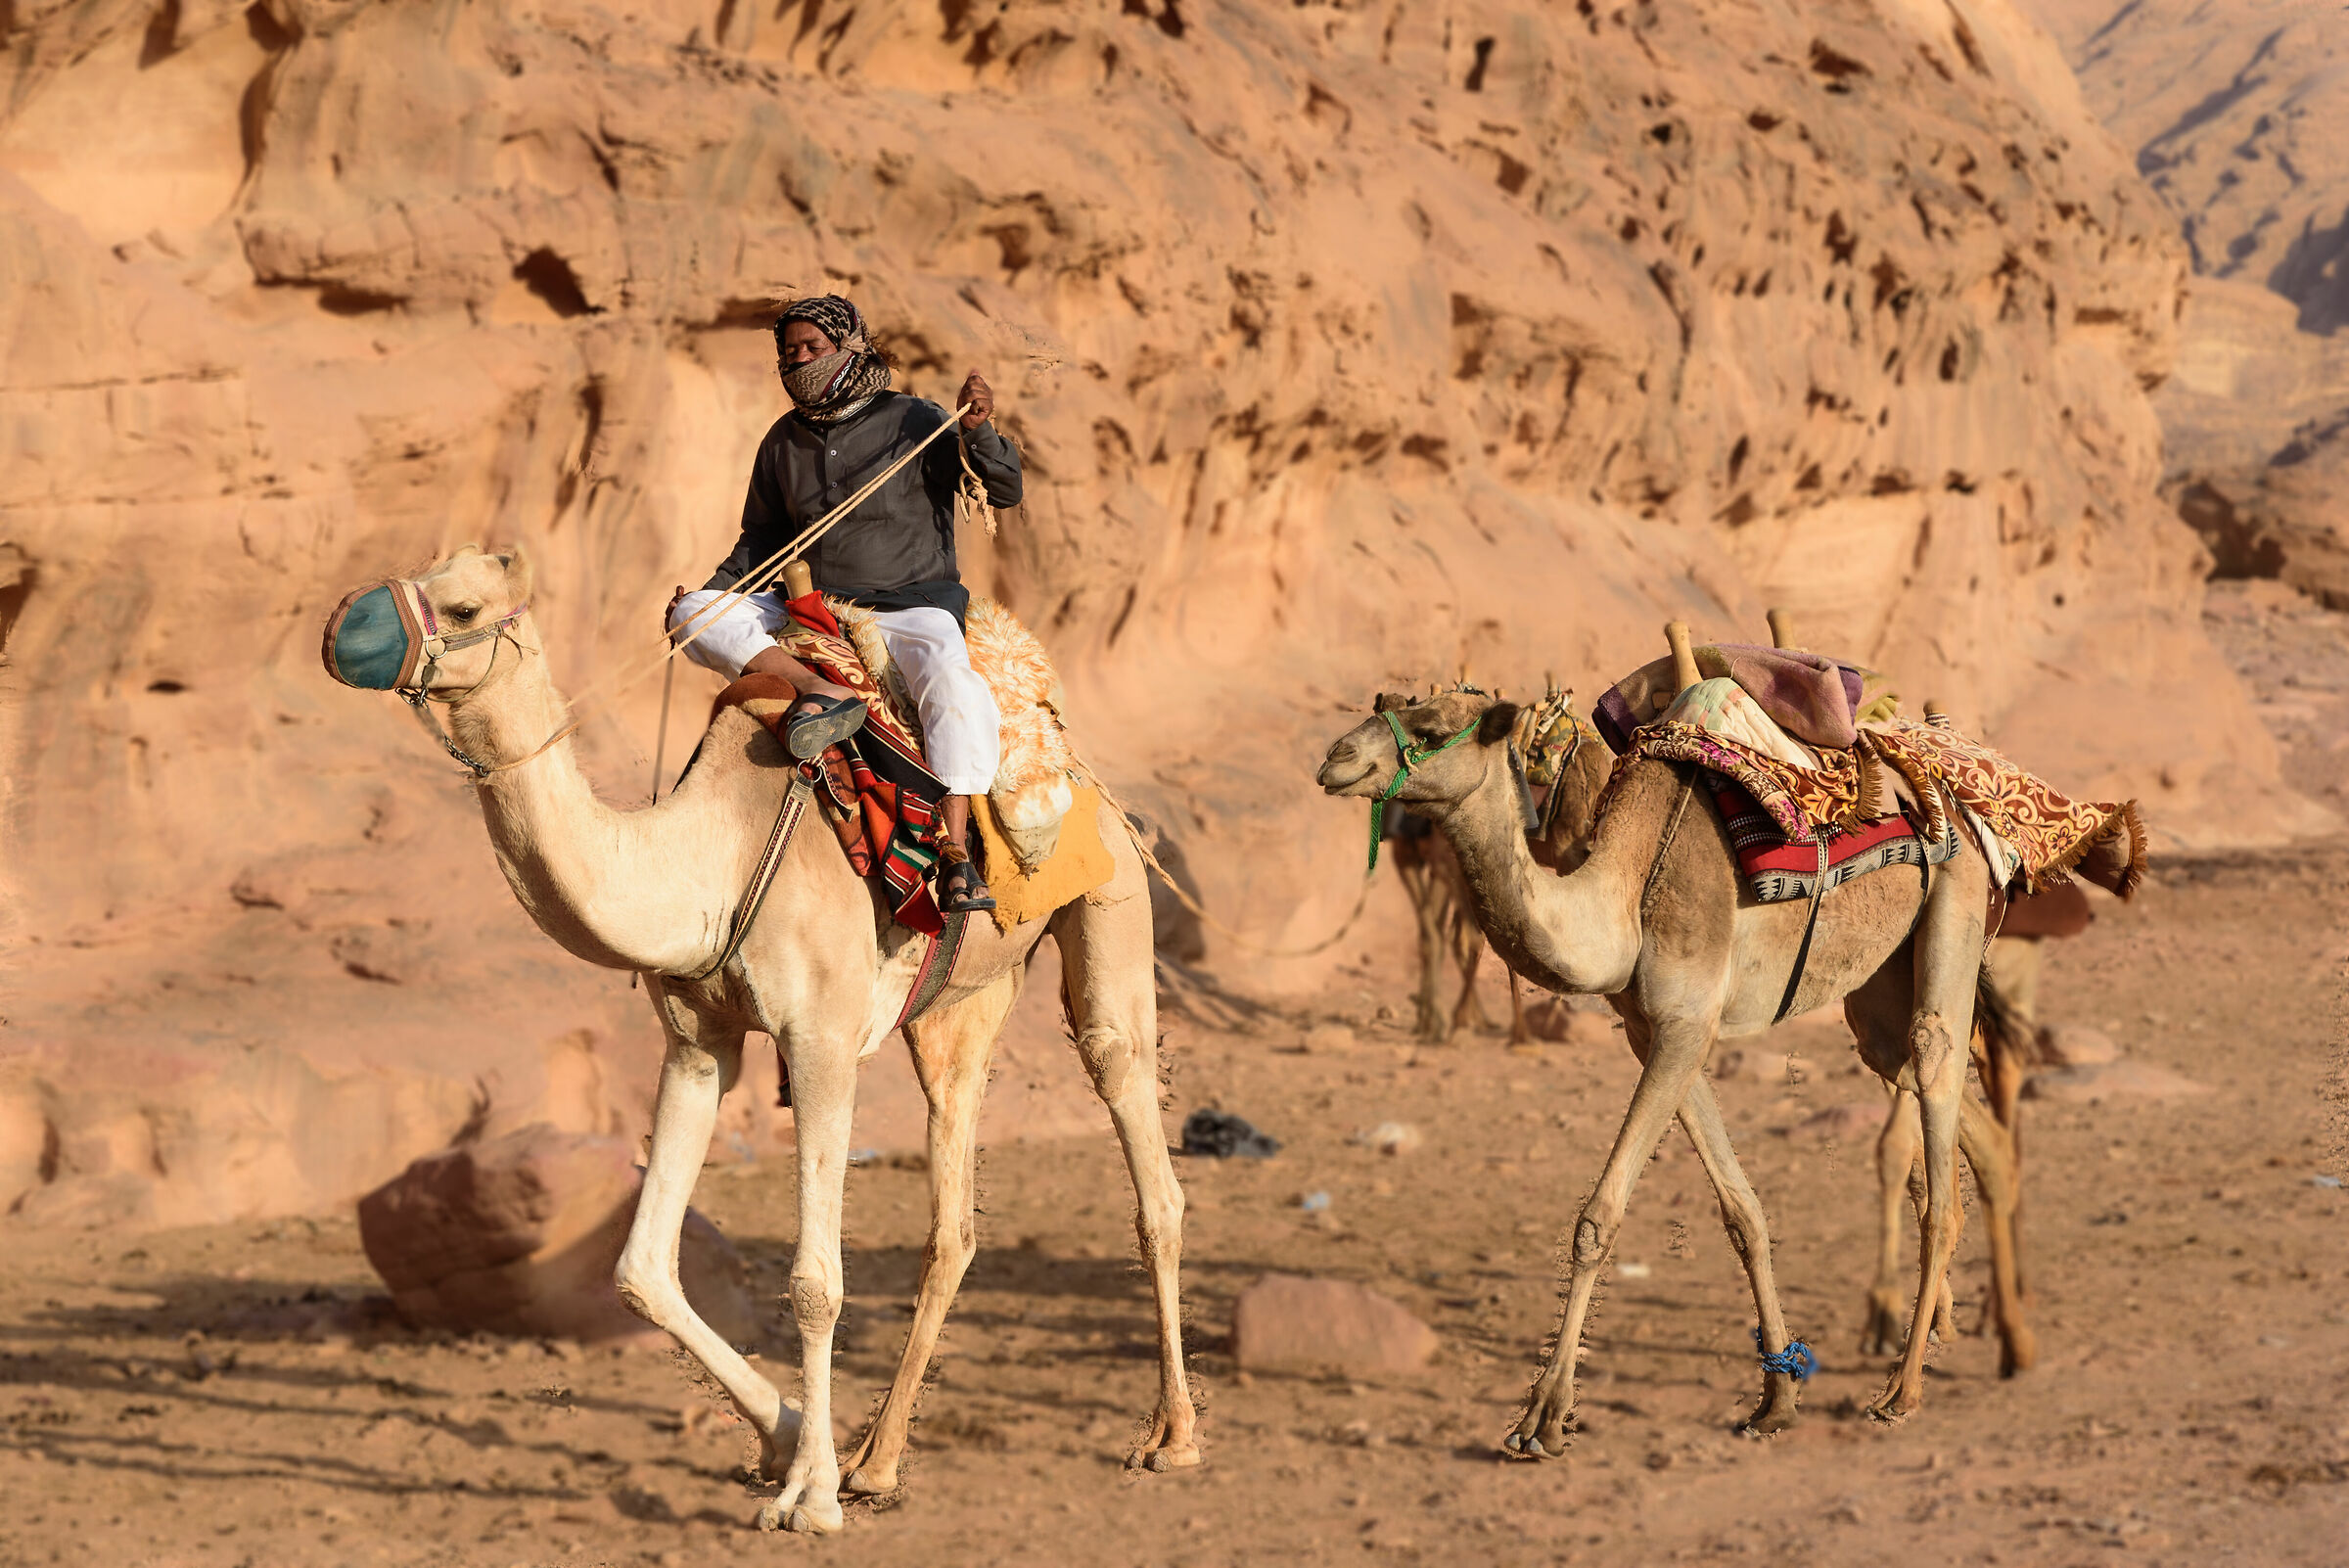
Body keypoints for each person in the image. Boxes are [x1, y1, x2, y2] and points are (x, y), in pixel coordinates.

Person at [667, 296, 1022, 914]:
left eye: (814, 348)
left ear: (851, 347)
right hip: (813, 604)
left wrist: (979, 430)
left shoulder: (918, 419)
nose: (799, 360)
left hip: (914, 604)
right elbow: (762, 539)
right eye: (789, 351)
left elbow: (1005, 488)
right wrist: (714, 592)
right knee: (692, 613)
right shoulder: (781, 440)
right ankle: (817, 690)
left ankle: (959, 854)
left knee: (953, 687)